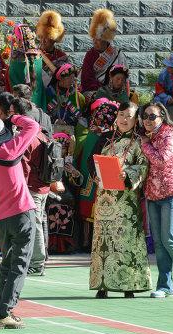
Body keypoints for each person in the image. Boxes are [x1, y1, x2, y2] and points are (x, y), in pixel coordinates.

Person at [0, 112, 40, 329]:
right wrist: (14, 117)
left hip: (0, 217)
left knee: (7, 264)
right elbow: (32, 126)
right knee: (20, 265)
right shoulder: (10, 149)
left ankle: (0, 308)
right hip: (22, 213)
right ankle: (4, 312)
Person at [89, 102, 152, 298]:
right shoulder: (105, 138)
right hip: (104, 197)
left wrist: (128, 175)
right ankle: (103, 284)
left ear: (136, 120)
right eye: (121, 114)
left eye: (129, 116)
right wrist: (96, 175)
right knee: (104, 242)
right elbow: (92, 161)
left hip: (126, 199)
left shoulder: (140, 141)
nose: (124, 119)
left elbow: (143, 165)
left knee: (126, 242)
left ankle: (129, 284)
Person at [140, 102, 173, 297]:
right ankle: (164, 285)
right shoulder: (149, 136)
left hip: (172, 194)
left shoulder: (169, 134)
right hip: (153, 195)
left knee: (169, 239)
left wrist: (145, 145)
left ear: (162, 116)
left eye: (152, 116)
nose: (147, 119)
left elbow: (162, 159)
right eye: (144, 116)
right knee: (159, 242)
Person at [11, 97, 50, 277]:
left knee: (34, 225)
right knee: (39, 222)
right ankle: (39, 259)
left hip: (32, 186)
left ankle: (37, 262)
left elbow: (24, 166)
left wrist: (21, 188)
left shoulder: (27, 136)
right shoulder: (41, 133)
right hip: (44, 186)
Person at [77, 100, 119, 251]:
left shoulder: (96, 135)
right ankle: (93, 243)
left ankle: (90, 242)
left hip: (98, 177)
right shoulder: (106, 136)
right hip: (94, 176)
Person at [81, 9, 127, 101]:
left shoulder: (118, 54)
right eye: (93, 38)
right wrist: (104, 89)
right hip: (95, 91)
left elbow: (124, 77)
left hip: (116, 90)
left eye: (97, 39)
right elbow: (86, 80)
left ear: (106, 39)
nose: (94, 41)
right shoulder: (90, 55)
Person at [8, 24, 47, 111]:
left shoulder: (17, 58)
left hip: (21, 104)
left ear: (18, 40)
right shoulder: (38, 56)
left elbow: (12, 79)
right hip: (38, 102)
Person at [36, 10, 69, 88]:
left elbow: (66, 80)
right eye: (41, 37)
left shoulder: (62, 56)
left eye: (47, 38)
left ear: (54, 39)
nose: (43, 41)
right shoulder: (33, 54)